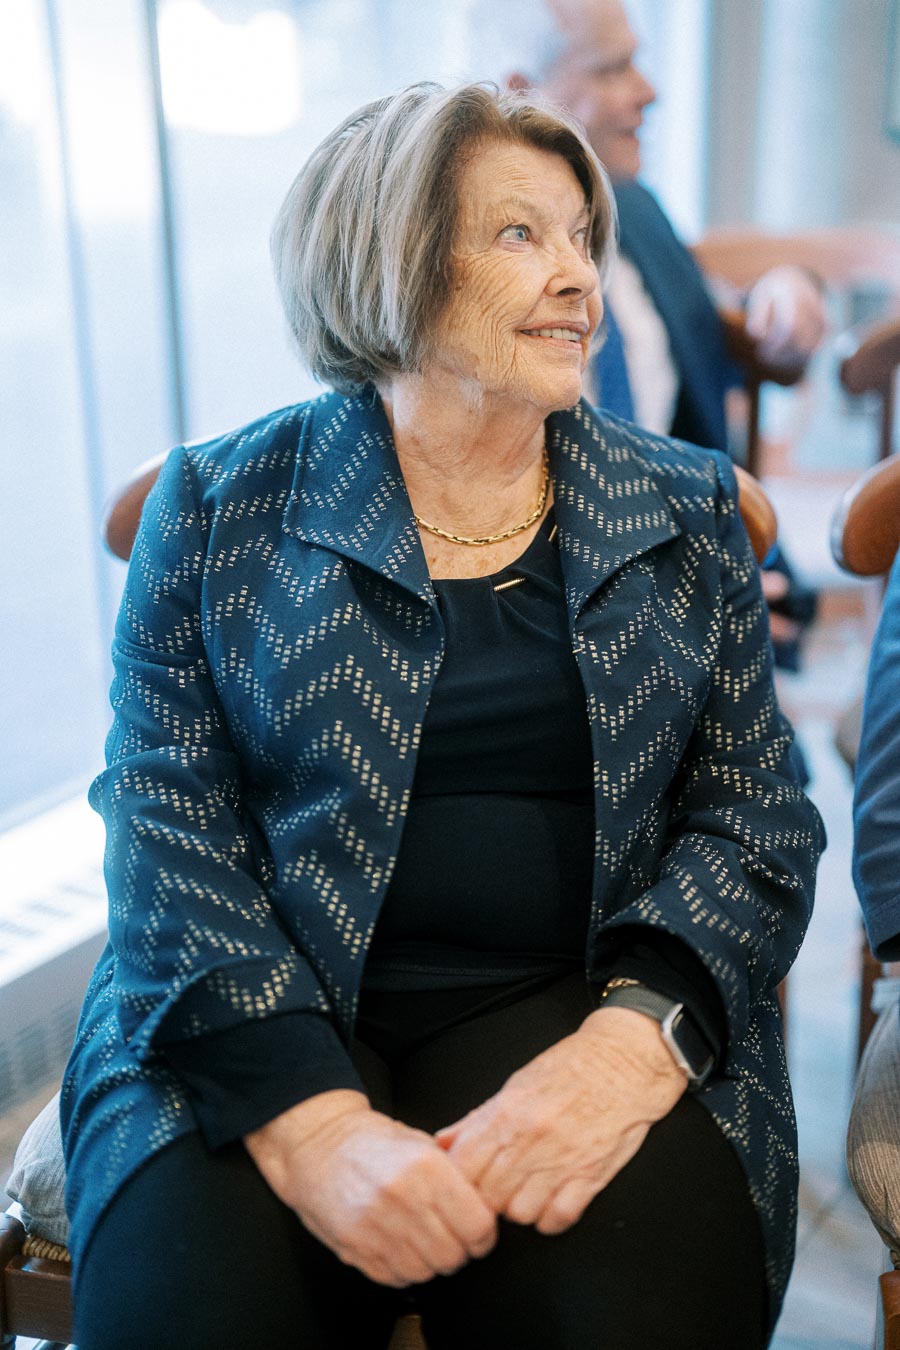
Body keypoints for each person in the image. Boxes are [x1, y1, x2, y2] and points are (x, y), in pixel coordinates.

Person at [61, 82, 824, 1350]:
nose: (579, 277)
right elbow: (163, 823)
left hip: (582, 988)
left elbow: (758, 816)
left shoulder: (686, 510)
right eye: (521, 234)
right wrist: (310, 1127)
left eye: (582, 236)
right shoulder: (213, 508)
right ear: (389, 262)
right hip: (255, 991)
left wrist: (631, 1049)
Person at [473, 0, 824, 671]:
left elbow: (713, 325)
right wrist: (692, 604)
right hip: (551, 618)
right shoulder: (472, 279)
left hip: (696, 551)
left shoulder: (634, 207)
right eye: (613, 69)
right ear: (521, 93)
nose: (650, 91)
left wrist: (785, 284)